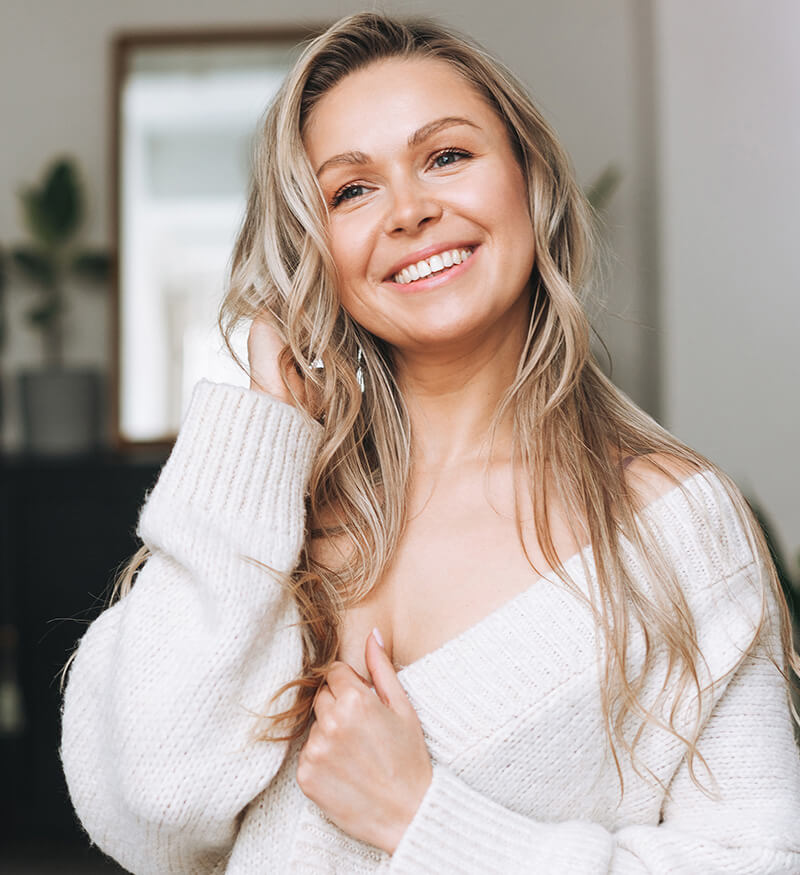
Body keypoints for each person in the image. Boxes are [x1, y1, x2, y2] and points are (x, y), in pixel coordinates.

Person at [60, 12, 800, 874]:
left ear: (530, 180)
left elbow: (756, 859)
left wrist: (423, 819)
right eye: (351, 191)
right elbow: (155, 803)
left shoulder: (671, 527)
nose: (410, 211)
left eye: (446, 156)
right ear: (314, 251)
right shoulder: (274, 516)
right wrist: (263, 421)